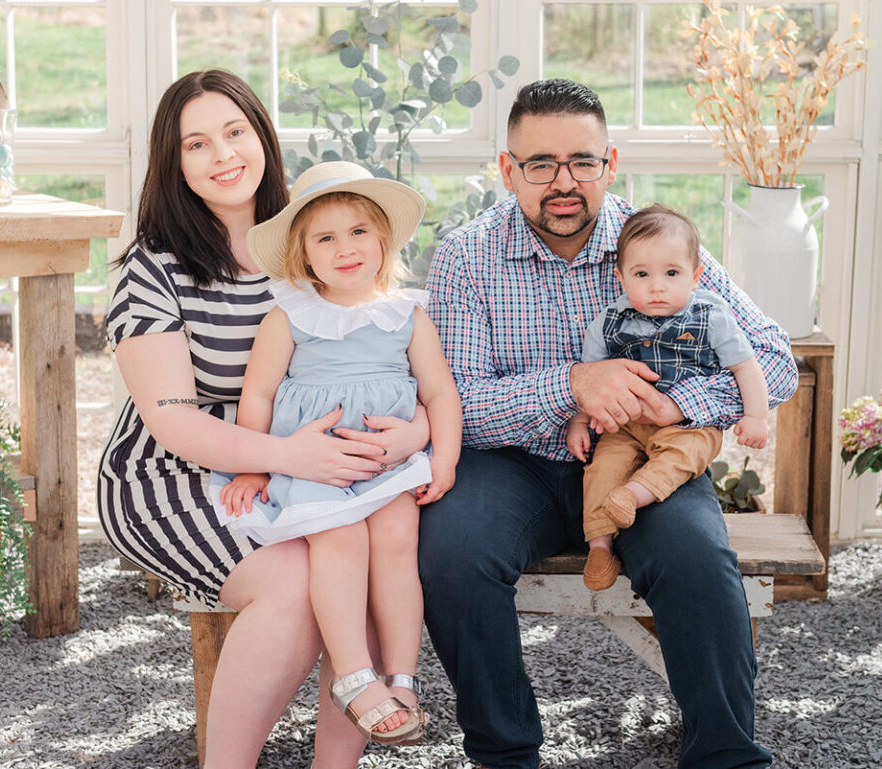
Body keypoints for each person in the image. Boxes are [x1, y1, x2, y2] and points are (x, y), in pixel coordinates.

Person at [421, 78, 797, 769]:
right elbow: (460, 404)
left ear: (610, 163)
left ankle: (726, 755)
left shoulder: (657, 240)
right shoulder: (466, 257)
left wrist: (681, 405)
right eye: (540, 164)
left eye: (582, 161)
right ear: (508, 170)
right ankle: (505, 753)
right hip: (514, 464)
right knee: (451, 551)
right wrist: (571, 385)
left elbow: (774, 361)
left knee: (696, 556)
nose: (563, 182)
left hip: (643, 458)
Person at [96, 70, 430, 769]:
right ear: (172, 163)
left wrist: (417, 434)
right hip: (175, 475)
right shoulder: (152, 268)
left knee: (360, 550)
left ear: (263, 139)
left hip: (314, 466)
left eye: (235, 132)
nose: (222, 155)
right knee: (294, 578)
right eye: (196, 143)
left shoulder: (313, 240)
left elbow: (395, 363)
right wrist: (292, 458)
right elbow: (174, 422)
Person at [211, 161, 462, 745]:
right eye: (325, 237)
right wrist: (255, 464)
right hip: (313, 460)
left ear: (383, 240)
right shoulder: (291, 314)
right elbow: (260, 391)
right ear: (303, 253)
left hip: (386, 465)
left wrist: (443, 456)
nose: (345, 248)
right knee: (342, 539)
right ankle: (353, 675)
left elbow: (440, 391)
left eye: (358, 232)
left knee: (398, 541)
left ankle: (400, 675)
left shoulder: (406, 314)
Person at [566, 204, 769, 590]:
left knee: (683, 457)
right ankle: (600, 546)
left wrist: (756, 417)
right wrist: (579, 423)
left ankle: (631, 495)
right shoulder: (608, 323)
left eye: (671, 273)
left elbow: (746, 366)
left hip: (688, 426)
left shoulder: (712, 316)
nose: (656, 286)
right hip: (624, 426)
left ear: (696, 277)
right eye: (641, 274)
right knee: (601, 466)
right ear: (621, 277)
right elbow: (589, 382)